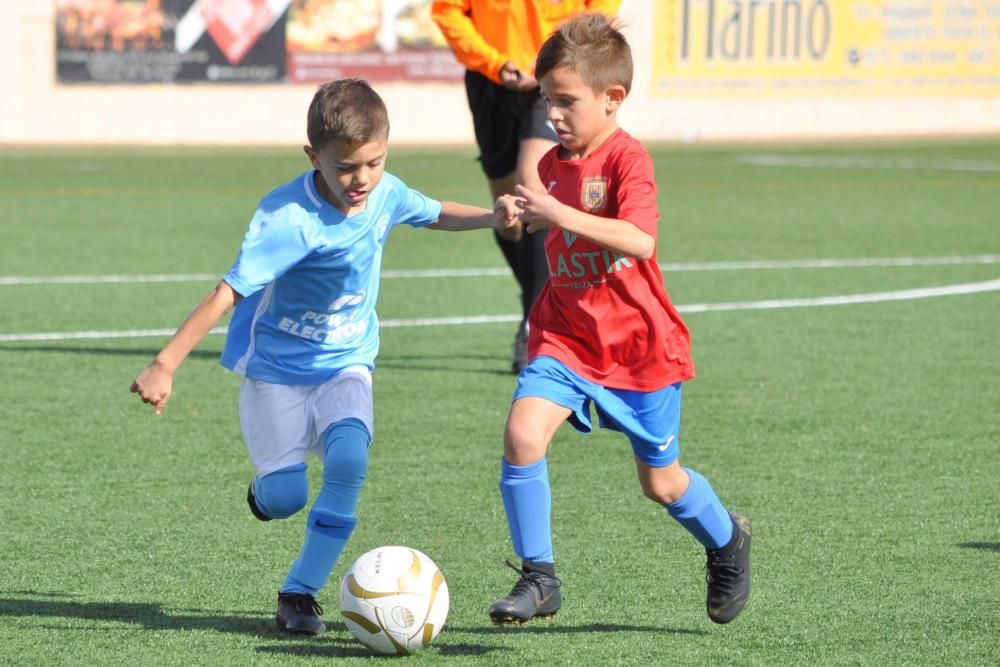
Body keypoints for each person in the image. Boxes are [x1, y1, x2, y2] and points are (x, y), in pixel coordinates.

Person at [129, 78, 520, 636]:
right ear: (314, 156)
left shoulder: (384, 193)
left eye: (373, 163)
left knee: (349, 463)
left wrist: (491, 217)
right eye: (345, 167)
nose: (360, 179)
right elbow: (228, 291)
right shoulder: (288, 219)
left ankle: (299, 592)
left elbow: (432, 212)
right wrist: (165, 364)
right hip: (278, 374)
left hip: (346, 362)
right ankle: (264, 496)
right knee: (287, 496)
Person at [486, 15, 753, 627]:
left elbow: (638, 240)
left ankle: (726, 541)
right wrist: (517, 213)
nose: (554, 114)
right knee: (523, 435)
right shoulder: (551, 164)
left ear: (613, 99)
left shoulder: (629, 159)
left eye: (567, 102)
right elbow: (543, 217)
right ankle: (539, 577)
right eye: (548, 100)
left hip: (637, 350)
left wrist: (558, 212)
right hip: (564, 336)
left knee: (661, 485)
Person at [431, 0, 620, 373]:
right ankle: (541, 294)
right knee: (509, 215)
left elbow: (600, 10)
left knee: (532, 185)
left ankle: (535, 326)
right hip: (490, 81)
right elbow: (447, 12)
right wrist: (494, 62)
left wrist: (552, 60)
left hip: (554, 77)